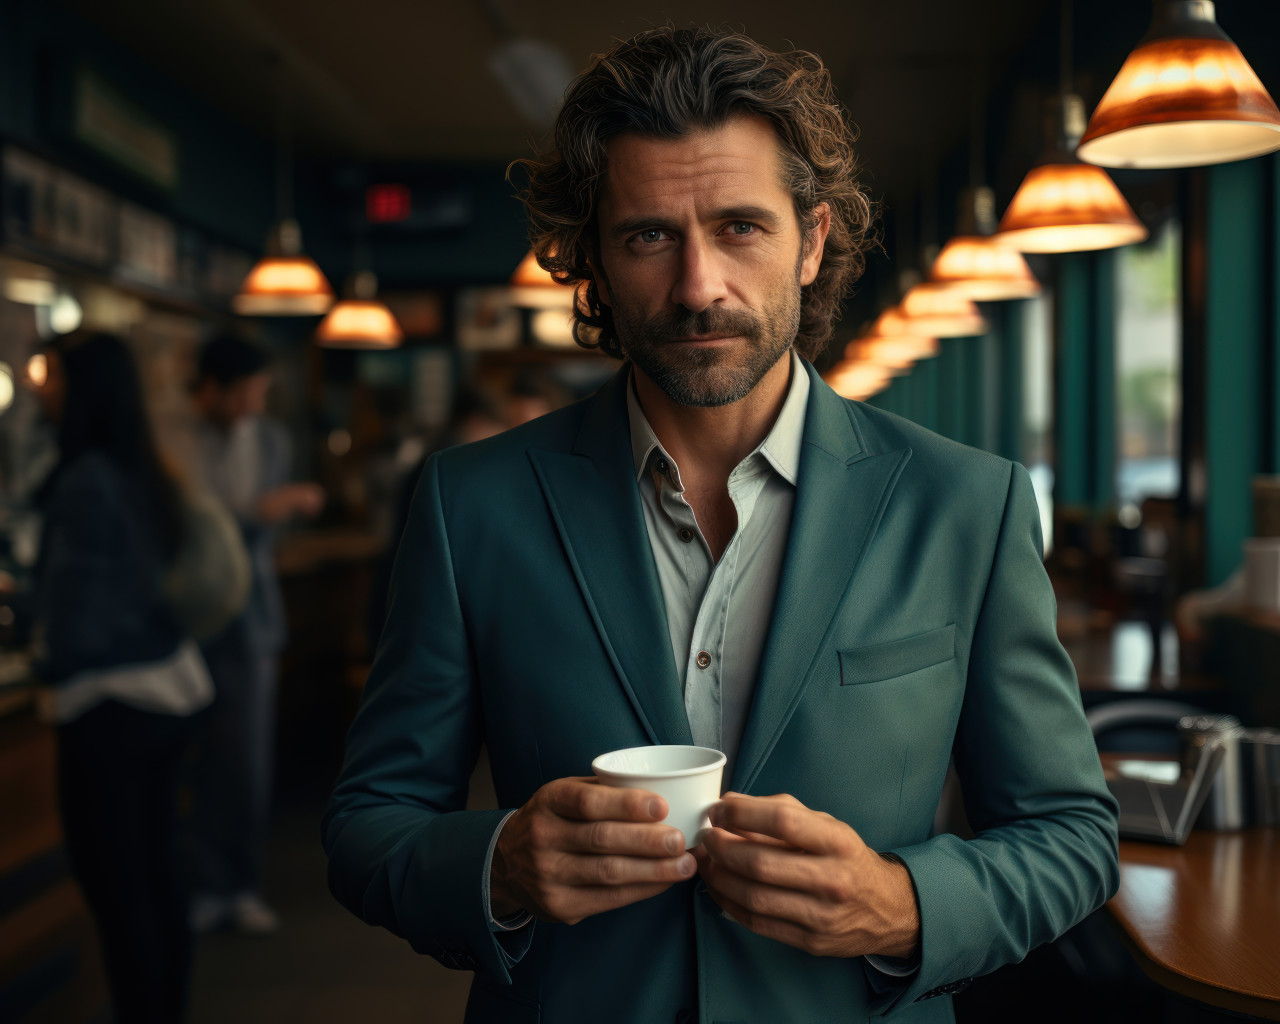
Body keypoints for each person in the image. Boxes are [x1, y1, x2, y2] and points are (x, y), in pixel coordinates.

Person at [324, 27, 1119, 1023]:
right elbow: (366, 824)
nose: (698, 286)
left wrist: (901, 903)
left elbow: (1070, 833)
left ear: (812, 238)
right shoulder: (470, 503)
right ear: (594, 262)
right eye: (648, 235)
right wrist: (498, 866)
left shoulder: (966, 503)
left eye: (740, 226)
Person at [29, 331, 213, 1022]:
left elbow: (75, 623)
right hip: (167, 690)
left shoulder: (84, 479)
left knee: (118, 884)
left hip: (108, 705)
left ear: (84, 387)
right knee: (156, 874)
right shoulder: (139, 468)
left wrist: (41, 650)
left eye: (50, 376)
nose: (40, 389)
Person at [183, 333, 323, 934]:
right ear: (211, 389)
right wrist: (262, 511)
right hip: (185, 617)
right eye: (247, 391)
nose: (254, 404)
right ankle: (194, 882)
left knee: (245, 760)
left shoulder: (270, 438)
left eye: (261, 392)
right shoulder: (177, 439)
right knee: (188, 759)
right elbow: (193, 527)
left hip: (252, 618)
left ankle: (236, 884)